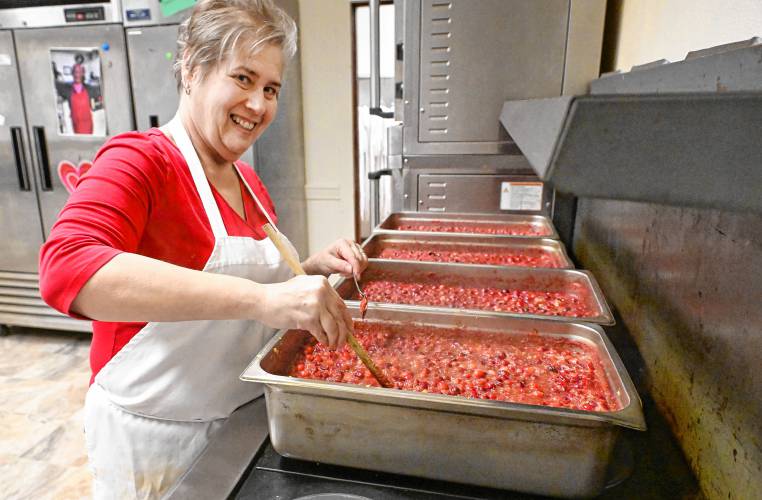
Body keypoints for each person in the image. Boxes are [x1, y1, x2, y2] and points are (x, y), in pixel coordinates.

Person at [38, 1, 367, 498]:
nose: (258, 104)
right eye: (242, 78)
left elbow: (246, 299)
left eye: (271, 89)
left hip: (240, 422)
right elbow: (67, 268)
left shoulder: (248, 181)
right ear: (192, 69)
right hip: (154, 443)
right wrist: (264, 299)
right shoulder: (141, 160)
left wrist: (307, 271)